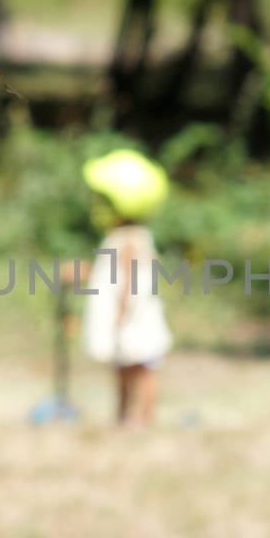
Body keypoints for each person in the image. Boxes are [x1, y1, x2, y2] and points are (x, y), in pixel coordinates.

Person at [80, 149, 173, 427]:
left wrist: (122, 309)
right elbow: (108, 273)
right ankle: (122, 416)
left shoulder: (130, 238)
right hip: (129, 313)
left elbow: (129, 278)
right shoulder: (123, 236)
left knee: (142, 367)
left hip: (133, 315)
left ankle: (143, 418)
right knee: (123, 367)